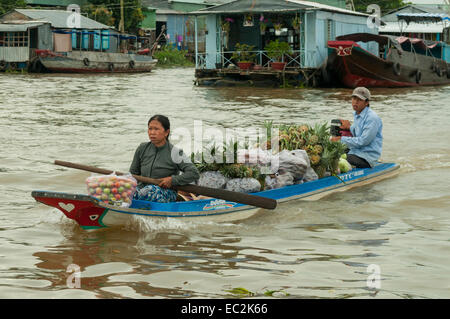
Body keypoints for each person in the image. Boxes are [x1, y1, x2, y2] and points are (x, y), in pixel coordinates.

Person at [130, 115, 199, 202]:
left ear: (166, 132)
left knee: (148, 191)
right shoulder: (142, 148)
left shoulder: (176, 152)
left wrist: (172, 180)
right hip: (142, 189)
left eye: (156, 129)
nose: (152, 132)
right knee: (123, 189)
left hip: (165, 192)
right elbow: (133, 173)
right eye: (150, 129)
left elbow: (194, 173)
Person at [331, 87, 383, 168]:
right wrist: (349, 127)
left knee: (337, 158)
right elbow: (358, 131)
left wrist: (341, 139)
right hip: (356, 151)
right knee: (332, 151)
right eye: (354, 98)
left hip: (366, 156)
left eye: (359, 100)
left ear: (366, 102)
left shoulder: (372, 118)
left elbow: (363, 141)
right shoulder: (357, 114)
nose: (355, 102)